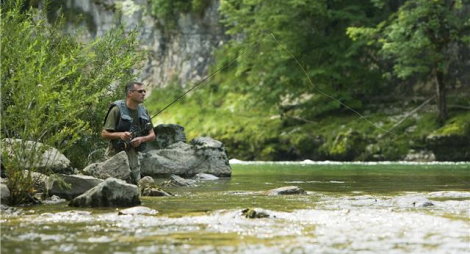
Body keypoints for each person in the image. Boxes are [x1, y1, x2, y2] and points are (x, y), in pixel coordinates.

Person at [101, 81, 156, 184]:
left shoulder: (144, 111)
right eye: (140, 91)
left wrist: (141, 139)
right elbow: (104, 134)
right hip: (115, 154)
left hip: (133, 154)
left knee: (136, 185)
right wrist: (120, 135)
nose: (143, 94)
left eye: (144, 91)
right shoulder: (116, 109)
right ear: (130, 93)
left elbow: (152, 135)